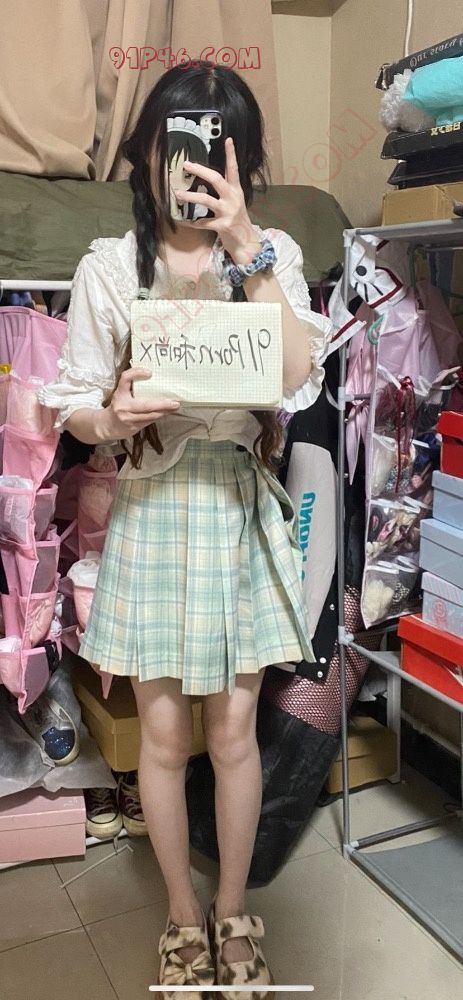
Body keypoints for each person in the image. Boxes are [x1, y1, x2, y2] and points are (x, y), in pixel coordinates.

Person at [38, 61, 332, 1000]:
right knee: (164, 739)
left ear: (240, 157)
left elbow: (299, 377)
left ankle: (232, 908)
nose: (194, 164)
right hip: (155, 510)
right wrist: (112, 415)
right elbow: (74, 406)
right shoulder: (109, 265)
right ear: (148, 151)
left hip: (236, 504)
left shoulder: (270, 253)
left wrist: (244, 242)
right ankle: (180, 914)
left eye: (217, 145)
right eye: (178, 141)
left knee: (234, 733)